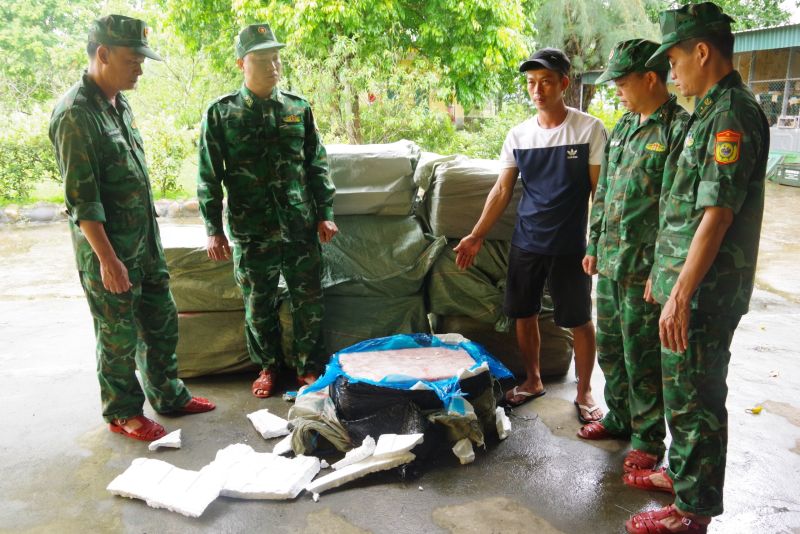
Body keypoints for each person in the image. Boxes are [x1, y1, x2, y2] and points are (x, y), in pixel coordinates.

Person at [621, 3, 769, 533]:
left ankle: (693, 512)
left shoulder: (732, 114)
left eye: (675, 58)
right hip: (684, 285)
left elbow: (717, 212)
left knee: (696, 401)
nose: (670, 70)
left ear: (702, 51)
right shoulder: (709, 110)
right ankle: (684, 480)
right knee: (681, 396)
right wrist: (664, 281)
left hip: (704, 293)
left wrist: (681, 292)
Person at [49, 15, 215, 442]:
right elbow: (82, 202)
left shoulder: (118, 104)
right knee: (119, 337)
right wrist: (108, 260)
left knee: (161, 323)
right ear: (102, 55)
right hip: (111, 253)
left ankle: (168, 393)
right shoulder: (74, 115)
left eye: (141, 58)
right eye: (131, 59)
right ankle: (123, 411)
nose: (139, 67)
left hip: (145, 244)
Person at [454, 48, 607, 423]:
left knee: (579, 319)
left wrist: (599, 242)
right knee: (524, 314)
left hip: (570, 245)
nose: (537, 90)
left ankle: (585, 391)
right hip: (527, 241)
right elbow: (501, 191)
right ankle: (534, 380)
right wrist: (476, 235)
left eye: (546, 82)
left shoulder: (589, 129)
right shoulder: (519, 135)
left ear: (564, 84)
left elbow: (599, 193)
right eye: (531, 83)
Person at [198, 23, 337, 398]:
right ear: (243, 63)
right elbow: (208, 176)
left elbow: (316, 165)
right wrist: (214, 228)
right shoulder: (221, 114)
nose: (273, 66)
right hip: (251, 229)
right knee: (258, 304)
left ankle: (308, 367)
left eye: (276, 58)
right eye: (262, 59)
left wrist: (325, 212)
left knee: (308, 300)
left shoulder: (298, 108)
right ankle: (267, 367)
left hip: (299, 224)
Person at [579, 39, 689, 475]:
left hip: (646, 269)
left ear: (650, 77)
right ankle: (620, 416)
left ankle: (647, 437)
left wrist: (665, 272)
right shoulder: (623, 126)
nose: (617, 91)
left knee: (642, 353)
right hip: (610, 262)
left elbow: (679, 209)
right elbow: (603, 191)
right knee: (610, 345)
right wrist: (593, 244)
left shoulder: (678, 130)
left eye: (623, 83)